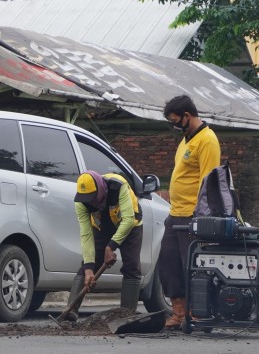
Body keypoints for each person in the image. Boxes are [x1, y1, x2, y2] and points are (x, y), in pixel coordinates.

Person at [157, 94, 221, 329]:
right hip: (176, 213)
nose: (174, 126)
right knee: (168, 262)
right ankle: (179, 312)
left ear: (187, 116)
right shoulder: (186, 140)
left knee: (191, 265)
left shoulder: (207, 140)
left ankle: (197, 312)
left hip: (193, 215)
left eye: (175, 121)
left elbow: (209, 181)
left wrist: (200, 217)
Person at [64, 170, 144, 321]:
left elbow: (128, 220)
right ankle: (70, 312)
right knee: (88, 266)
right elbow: (86, 234)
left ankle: (126, 315)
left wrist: (111, 246)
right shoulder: (81, 202)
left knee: (132, 266)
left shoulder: (118, 185)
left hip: (130, 225)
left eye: (92, 198)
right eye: (87, 199)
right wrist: (89, 268)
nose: (90, 202)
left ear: (100, 189)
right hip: (103, 226)